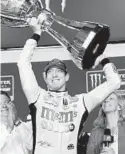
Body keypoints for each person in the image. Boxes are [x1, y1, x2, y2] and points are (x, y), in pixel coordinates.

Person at [17, 15, 121, 154]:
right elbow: (23, 63)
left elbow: (114, 82)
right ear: (45, 78)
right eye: (50, 72)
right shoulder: (37, 97)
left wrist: (102, 59)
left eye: (59, 71)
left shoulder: (81, 102)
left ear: (67, 76)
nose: (54, 74)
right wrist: (36, 33)